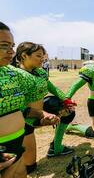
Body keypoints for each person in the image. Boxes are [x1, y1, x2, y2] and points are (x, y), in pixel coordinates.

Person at [0, 22, 57, 177]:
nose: (11, 51)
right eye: (5, 45)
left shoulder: (12, 73)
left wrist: (41, 115)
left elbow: (18, 106)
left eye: (12, 46)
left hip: (16, 147)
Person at [15, 42, 73, 174]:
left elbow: (51, 87)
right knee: (30, 167)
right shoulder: (16, 75)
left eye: (43, 56)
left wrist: (66, 100)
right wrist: (41, 115)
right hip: (24, 119)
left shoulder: (40, 72)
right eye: (38, 56)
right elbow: (17, 106)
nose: (43, 59)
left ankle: (56, 147)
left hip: (42, 113)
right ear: (24, 56)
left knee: (69, 112)